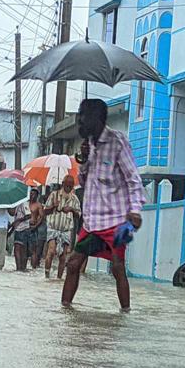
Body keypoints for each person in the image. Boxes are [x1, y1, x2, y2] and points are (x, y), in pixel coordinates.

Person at [62, 99, 145, 311]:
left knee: (117, 268)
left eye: (83, 115)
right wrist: (84, 161)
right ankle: (65, 310)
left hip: (116, 221)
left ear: (97, 118)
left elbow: (133, 179)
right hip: (91, 221)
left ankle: (125, 313)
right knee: (73, 265)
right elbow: (83, 181)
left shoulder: (118, 142)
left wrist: (135, 210)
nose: (79, 119)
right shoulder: (88, 145)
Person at [43, 175, 81, 279]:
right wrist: (53, 206)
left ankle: (58, 278)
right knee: (51, 252)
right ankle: (47, 276)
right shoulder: (54, 195)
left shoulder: (74, 199)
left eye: (71, 186)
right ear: (63, 184)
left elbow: (78, 215)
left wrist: (72, 210)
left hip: (66, 230)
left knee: (63, 256)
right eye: (67, 185)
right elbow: (45, 211)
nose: (68, 187)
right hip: (53, 228)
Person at [12, 197, 35, 271]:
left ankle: (20, 268)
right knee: (19, 250)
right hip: (18, 229)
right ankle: (20, 269)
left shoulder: (23, 202)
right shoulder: (17, 203)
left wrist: (18, 220)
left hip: (23, 229)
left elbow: (29, 215)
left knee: (19, 250)